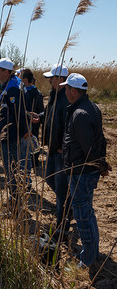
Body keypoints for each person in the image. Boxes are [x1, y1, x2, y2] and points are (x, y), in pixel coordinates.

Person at [60, 73, 109, 270]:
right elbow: (100, 141)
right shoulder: (91, 107)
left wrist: (101, 165)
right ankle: (92, 254)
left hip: (81, 172)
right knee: (88, 214)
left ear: (73, 91)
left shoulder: (80, 113)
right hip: (85, 171)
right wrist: (101, 165)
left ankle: (87, 261)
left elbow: (89, 149)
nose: (64, 91)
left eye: (66, 88)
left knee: (82, 217)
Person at [35, 64, 71, 243]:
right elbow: (49, 113)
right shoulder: (55, 95)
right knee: (49, 178)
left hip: (60, 150)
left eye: (52, 78)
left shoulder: (67, 98)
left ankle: (62, 227)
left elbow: (70, 125)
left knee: (60, 192)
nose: (49, 81)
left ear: (61, 79)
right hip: (52, 148)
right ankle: (69, 203)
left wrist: (64, 146)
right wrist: (40, 117)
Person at [0, 58, 29, 207]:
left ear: (7, 72)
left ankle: (15, 200)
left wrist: (24, 131)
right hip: (7, 133)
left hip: (11, 135)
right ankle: (14, 198)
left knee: (11, 168)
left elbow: (18, 112)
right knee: (11, 167)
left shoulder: (13, 87)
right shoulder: (8, 85)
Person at [20, 68, 45, 177]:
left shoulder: (32, 93)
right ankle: (33, 162)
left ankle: (33, 162)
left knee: (32, 142)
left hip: (31, 123)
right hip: (32, 122)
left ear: (25, 80)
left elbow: (41, 110)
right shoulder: (36, 92)